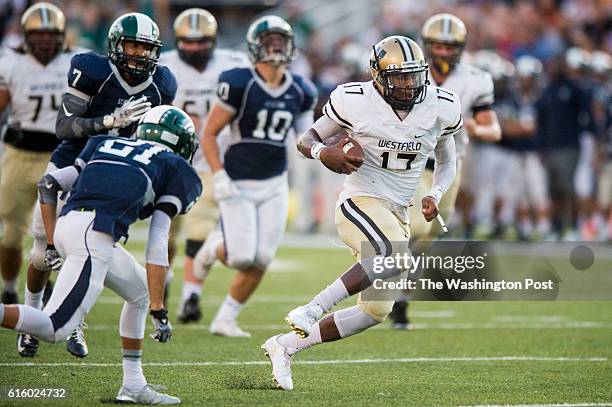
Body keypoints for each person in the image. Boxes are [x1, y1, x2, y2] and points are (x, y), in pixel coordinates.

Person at [261, 35, 461, 390]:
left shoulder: (441, 105)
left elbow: (448, 158)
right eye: (398, 76)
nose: (407, 83)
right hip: (360, 200)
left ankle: (285, 346)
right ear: (377, 75)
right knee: (394, 255)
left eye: (413, 75)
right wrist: (326, 153)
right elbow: (306, 139)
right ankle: (311, 309)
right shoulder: (353, 99)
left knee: (373, 313)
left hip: (399, 209)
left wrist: (436, 192)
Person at [0, 105, 201, 404]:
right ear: (183, 145)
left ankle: (133, 385)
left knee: (139, 292)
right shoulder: (175, 167)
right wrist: (160, 310)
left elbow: (50, 183)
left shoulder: (104, 142)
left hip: (73, 226)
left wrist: (53, 240)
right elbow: (158, 240)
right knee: (54, 328)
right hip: (93, 235)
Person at [18, 12, 176, 358]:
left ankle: (73, 322)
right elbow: (63, 126)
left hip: (107, 171)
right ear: (117, 45)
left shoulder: (162, 84)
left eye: (146, 48)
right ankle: (31, 314)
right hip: (69, 163)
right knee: (43, 254)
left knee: (90, 250)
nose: (139, 54)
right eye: (133, 46)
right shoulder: (93, 70)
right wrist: (107, 121)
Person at [194, 15, 317, 337]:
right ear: (254, 47)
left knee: (262, 258)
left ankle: (225, 318)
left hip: (275, 180)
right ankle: (212, 248)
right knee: (241, 257)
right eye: (269, 41)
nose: (276, 47)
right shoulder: (238, 82)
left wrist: (327, 146)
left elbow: (305, 138)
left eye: (281, 41)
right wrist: (219, 175)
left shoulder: (302, 89)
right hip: (238, 180)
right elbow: (209, 134)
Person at [390, 13, 501, 329]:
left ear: (461, 47)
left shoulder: (476, 79)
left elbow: (492, 128)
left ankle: (401, 296)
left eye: (448, 46)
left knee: (430, 235)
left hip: (450, 165)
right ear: (426, 45)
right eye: (437, 45)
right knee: (417, 229)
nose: (442, 52)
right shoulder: (411, 74)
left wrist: (471, 128)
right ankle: (389, 283)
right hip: (413, 163)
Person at [159, 8, 249, 323]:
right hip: (172, 160)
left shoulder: (233, 64)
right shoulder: (165, 66)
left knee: (199, 230)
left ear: (213, 40)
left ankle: (191, 296)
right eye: (188, 42)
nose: (194, 48)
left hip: (214, 159)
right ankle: (166, 281)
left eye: (201, 42)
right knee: (167, 235)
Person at [0, 2, 74, 305]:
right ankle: (8, 289)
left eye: (50, 34)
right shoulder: (10, 63)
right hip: (18, 155)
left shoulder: (75, 61)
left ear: (61, 35)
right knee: (10, 234)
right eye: (38, 34)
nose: (45, 40)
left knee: (60, 234)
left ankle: (47, 286)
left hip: (60, 157)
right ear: (27, 36)